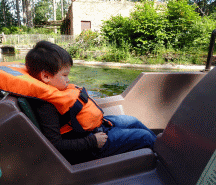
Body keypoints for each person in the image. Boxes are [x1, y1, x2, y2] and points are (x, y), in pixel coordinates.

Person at [23, 40, 157, 164]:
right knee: (144, 137)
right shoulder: (45, 106)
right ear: (46, 76)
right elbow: (55, 145)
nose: (68, 80)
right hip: (92, 145)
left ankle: (160, 144)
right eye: (64, 75)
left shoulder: (54, 90)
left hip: (97, 127)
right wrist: (91, 142)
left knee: (132, 120)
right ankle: (163, 158)